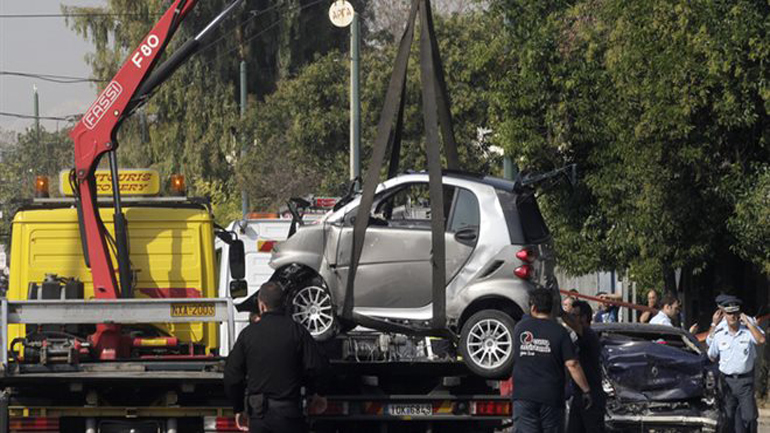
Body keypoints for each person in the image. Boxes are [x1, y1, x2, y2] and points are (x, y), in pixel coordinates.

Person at [224, 282, 330, 433]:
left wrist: (238, 408)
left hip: (259, 416)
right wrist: (319, 393)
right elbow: (318, 366)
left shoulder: (248, 335)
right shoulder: (298, 331)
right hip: (290, 415)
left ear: (261, 305)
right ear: (284, 304)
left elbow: (232, 375)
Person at [512, 288, 592, 433]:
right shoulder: (560, 332)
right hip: (551, 397)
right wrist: (586, 390)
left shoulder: (519, 328)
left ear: (533, 307)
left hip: (524, 396)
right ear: (551, 309)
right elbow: (572, 364)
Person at [707, 297, 765, 433]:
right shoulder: (720, 334)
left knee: (750, 417)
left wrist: (749, 324)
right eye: (729, 313)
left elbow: (761, 340)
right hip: (726, 382)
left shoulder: (747, 331)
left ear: (739, 314)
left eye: (735, 313)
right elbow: (710, 355)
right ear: (724, 315)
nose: (732, 316)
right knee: (727, 418)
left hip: (745, 382)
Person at [563, 300, 605, 433]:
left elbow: (573, 324)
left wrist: (560, 312)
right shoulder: (575, 337)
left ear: (584, 318)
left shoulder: (588, 334)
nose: (572, 318)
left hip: (591, 395)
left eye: (575, 315)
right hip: (579, 395)